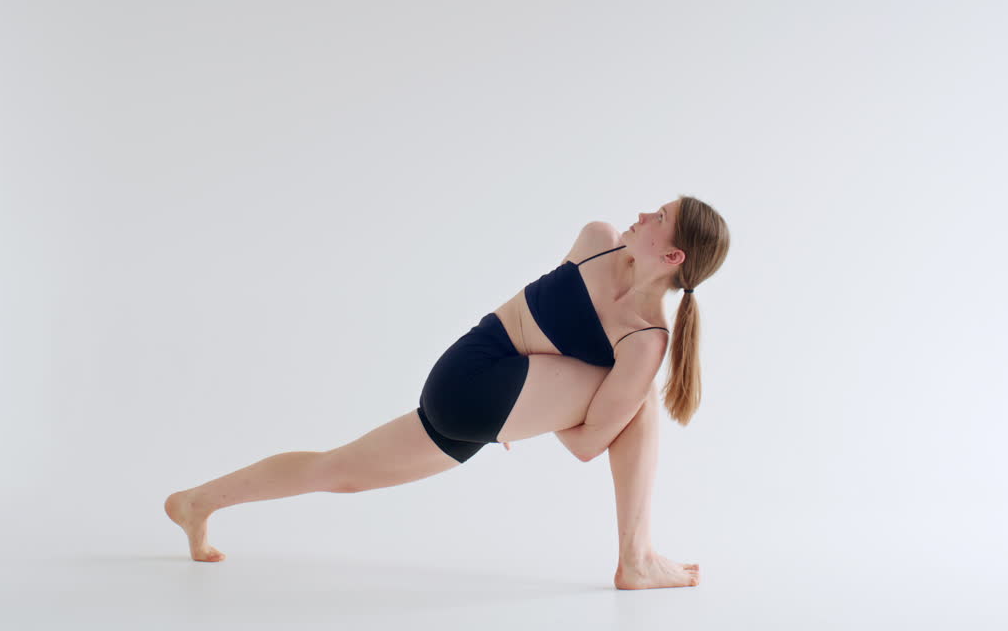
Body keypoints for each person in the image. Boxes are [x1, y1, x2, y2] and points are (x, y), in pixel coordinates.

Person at [165, 194, 730, 590]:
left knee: (336, 470)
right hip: (481, 390)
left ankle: (195, 503)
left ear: (673, 256)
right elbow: (581, 434)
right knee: (642, 403)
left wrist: (532, 405)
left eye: (658, 216)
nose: (641, 212)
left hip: (463, 380)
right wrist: (533, 407)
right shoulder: (606, 256)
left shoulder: (641, 335)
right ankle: (636, 559)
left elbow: (547, 344)